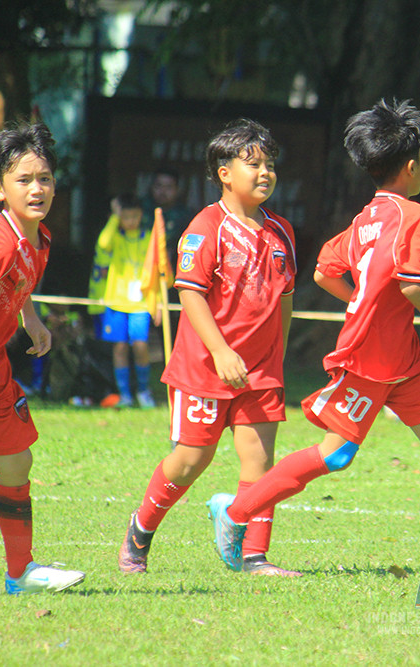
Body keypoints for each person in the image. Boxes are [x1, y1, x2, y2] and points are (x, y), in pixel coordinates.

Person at [207, 99, 420, 591]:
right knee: (335, 455)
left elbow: (324, 271)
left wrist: (362, 300)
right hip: (371, 358)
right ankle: (236, 510)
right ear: (413, 166)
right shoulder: (413, 213)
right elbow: (413, 286)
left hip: (402, 358)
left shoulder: (366, 218)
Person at [117, 118, 298, 577]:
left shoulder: (282, 233)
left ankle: (254, 556)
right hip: (205, 368)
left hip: (260, 370)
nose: (265, 173)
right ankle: (140, 532)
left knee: (260, 462)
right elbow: (190, 293)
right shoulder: (205, 226)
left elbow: (286, 299)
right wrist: (220, 351)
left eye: (270, 165)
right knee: (190, 461)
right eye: (253, 164)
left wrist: (277, 355)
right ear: (223, 172)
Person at [0, 121, 85, 595]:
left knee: (16, 462)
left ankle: (20, 573)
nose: (37, 188)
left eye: (45, 178)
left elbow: (17, 282)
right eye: (24, 180)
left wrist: (30, 318)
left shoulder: (36, 237)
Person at [90, 193, 159, 408]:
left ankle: (144, 390)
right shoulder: (116, 237)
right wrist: (114, 216)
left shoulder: (148, 237)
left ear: (140, 216)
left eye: (134, 216)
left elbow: (159, 264)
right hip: (116, 301)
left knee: (140, 345)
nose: (130, 221)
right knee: (119, 348)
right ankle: (125, 394)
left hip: (140, 303)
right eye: (126, 216)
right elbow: (103, 242)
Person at [143, 167, 192, 265]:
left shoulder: (185, 217)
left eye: (169, 187)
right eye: (158, 186)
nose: (163, 191)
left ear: (177, 190)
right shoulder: (140, 210)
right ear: (151, 187)